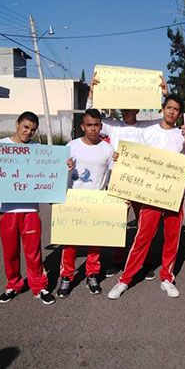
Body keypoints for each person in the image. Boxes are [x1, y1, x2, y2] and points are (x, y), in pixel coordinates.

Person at [0, 111, 56, 305]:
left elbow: (50, 173)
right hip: (7, 210)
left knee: (33, 252)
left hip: (31, 210)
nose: (28, 132)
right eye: (25, 127)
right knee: (10, 252)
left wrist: (62, 166)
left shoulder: (38, 148)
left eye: (33, 130)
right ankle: (13, 285)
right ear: (17, 124)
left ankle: (39, 286)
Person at [86, 75, 166, 279]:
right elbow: (92, 117)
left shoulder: (146, 127)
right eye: (124, 108)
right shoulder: (113, 125)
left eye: (130, 108)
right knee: (117, 223)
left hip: (140, 181)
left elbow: (167, 119)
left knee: (143, 225)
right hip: (117, 180)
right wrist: (91, 94)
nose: (126, 111)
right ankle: (117, 260)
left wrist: (165, 96)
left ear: (138, 110)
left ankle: (145, 262)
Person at [107, 94, 185, 300]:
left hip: (174, 195)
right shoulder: (148, 131)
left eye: (176, 109)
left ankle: (167, 278)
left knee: (172, 238)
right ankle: (125, 280)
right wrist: (120, 158)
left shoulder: (183, 135)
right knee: (143, 236)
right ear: (162, 109)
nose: (171, 111)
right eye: (169, 107)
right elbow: (136, 157)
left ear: (179, 114)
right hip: (150, 194)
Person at [56, 108, 114, 298]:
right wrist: (66, 169)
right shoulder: (71, 146)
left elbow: (115, 175)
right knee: (70, 243)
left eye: (96, 125)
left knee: (94, 243)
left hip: (97, 201)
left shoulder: (108, 149)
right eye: (89, 125)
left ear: (101, 126)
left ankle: (92, 275)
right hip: (74, 200)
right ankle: (66, 277)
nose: (93, 129)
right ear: (82, 126)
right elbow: (57, 172)